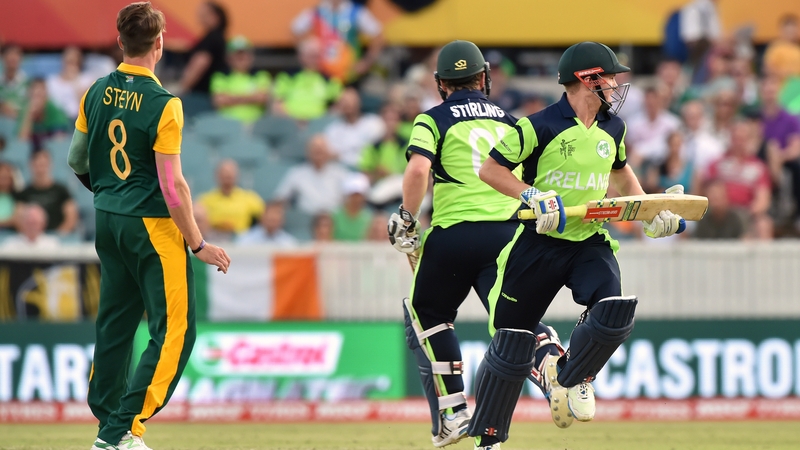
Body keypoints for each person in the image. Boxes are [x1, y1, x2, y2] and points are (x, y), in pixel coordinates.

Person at [475, 42, 684, 449]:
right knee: (511, 340)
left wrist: (650, 215)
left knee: (613, 312)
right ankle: (489, 440)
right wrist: (531, 196)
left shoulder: (613, 129)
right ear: (587, 80)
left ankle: (573, 376)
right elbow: (490, 169)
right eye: (607, 77)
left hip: (588, 239)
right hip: (537, 242)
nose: (614, 84)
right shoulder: (537, 126)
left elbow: (623, 180)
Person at [387, 40, 568, 450]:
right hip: (507, 236)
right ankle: (550, 359)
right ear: (484, 78)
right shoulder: (510, 121)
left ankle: (453, 414)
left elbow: (418, 170)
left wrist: (407, 217)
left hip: (453, 236)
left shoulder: (431, 119)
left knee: (428, 313)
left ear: (440, 84)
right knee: (513, 322)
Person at [66, 4, 230, 449]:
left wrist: (109, 194)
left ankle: (108, 429)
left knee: (115, 324)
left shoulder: (94, 92)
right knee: (175, 330)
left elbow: (76, 160)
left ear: (120, 41)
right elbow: (172, 185)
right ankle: (122, 429)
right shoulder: (164, 104)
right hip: (152, 228)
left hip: (108, 219)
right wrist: (198, 244)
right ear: (159, 44)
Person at [291, 0, 385, 83]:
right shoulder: (317, 11)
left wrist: (366, 63)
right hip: (322, 74)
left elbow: (378, 36)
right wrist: (308, 53)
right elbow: (296, 29)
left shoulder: (356, 12)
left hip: (348, 73)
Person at [273, 134, 352, 215]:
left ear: (328, 151)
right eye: (315, 148)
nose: (318, 150)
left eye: (321, 148)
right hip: (306, 220)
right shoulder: (297, 173)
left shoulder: (341, 172)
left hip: (333, 220)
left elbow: (353, 198)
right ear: (307, 152)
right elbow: (280, 198)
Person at [272, 37, 343, 121]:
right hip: (290, 126)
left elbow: (340, 104)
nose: (314, 60)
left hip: (319, 127)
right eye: (311, 55)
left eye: (317, 56)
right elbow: (276, 104)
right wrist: (293, 122)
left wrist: (324, 120)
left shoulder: (329, 80)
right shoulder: (287, 77)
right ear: (301, 56)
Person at [210, 36, 270, 124]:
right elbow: (219, 100)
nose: (241, 57)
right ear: (228, 58)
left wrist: (231, 98)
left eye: (244, 54)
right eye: (237, 54)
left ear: (251, 56)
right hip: (227, 125)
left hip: (255, 125)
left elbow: (262, 98)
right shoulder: (220, 76)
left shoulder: (260, 75)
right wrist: (251, 98)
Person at [16, 150, 78, 235]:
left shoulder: (61, 190)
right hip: (32, 240)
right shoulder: (24, 193)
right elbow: (19, 218)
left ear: (50, 165)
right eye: (37, 165)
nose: (41, 169)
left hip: (57, 239)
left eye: (43, 164)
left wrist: (58, 236)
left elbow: (71, 217)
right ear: (31, 165)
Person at [198, 159, 265, 235]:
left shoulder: (249, 198)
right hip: (214, 238)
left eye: (230, 174)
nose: (227, 177)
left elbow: (265, 217)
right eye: (224, 174)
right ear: (217, 176)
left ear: (237, 176)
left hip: (242, 240)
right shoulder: (205, 200)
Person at [323, 87, 385, 167]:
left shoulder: (374, 123)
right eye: (344, 102)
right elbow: (331, 155)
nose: (347, 105)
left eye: (351, 102)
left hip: (369, 168)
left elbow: (382, 147)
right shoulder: (333, 129)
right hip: (341, 170)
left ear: (359, 103)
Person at [179, 1, 228, 95]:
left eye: (204, 15)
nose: (200, 18)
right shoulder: (217, 37)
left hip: (201, 94)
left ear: (215, 16)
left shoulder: (212, 38)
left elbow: (200, 63)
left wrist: (183, 87)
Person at [16, 79, 71, 146]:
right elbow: (22, 140)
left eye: (40, 96)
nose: (37, 101)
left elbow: (59, 139)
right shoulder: (26, 110)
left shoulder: (53, 109)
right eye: (34, 96)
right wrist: (29, 115)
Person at [46, 46, 94, 119]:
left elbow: (87, 105)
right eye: (69, 62)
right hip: (57, 120)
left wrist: (75, 81)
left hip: (77, 119)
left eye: (74, 62)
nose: (70, 66)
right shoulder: (51, 81)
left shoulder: (86, 79)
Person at [332, 172, 372, 241]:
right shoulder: (334, 217)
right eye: (353, 195)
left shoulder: (369, 218)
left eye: (360, 195)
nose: (357, 199)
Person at [762, 14, 800, 85]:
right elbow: (768, 68)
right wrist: (784, 74)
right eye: (788, 31)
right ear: (782, 31)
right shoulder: (776, 48)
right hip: (782, 85)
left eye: (793, 30)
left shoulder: (797, 48)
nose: (791, 33)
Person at [0, 43, 27, 120]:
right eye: (9, 54)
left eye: (16, 55)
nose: (12, 58)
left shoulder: (29, 84)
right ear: (2, 57)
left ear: (21, 58)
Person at [0, 162, 18, 231]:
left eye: (6, 177)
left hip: (13, 236)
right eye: (1, 177)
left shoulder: (18, 196)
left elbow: (18, 220)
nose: (3, 180)